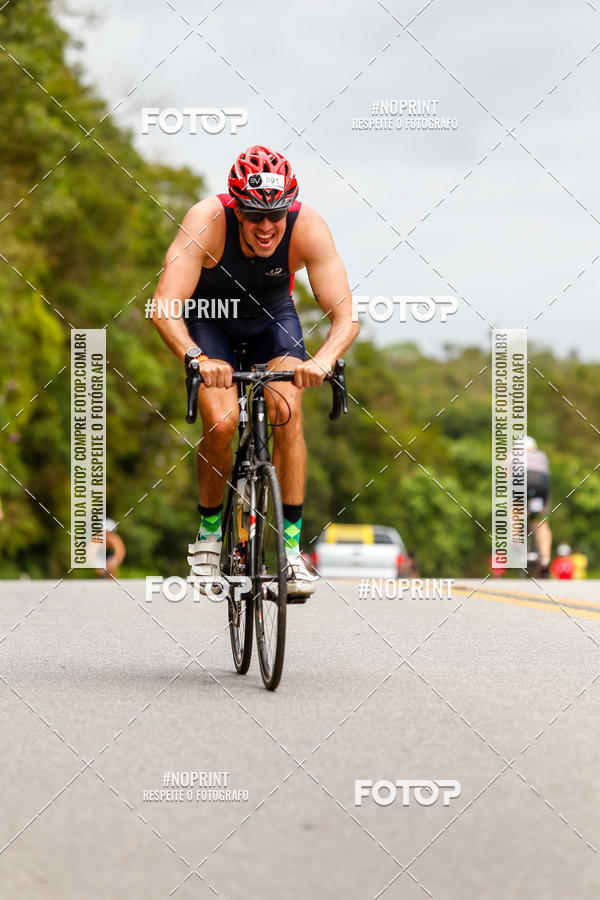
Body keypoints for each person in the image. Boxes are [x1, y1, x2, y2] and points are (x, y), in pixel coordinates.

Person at [151, 145, 359, 597]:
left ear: (290, 207)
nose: (266, 227)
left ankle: (290, 554)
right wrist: (197, 359)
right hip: (211, 321)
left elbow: (345, 316)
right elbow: (165, 307)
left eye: (276, 216)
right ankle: (208, 541)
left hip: (272, 320)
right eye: (253, 216)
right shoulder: (205, 220)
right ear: (235, 207)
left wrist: (321, 360)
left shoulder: (309, 228)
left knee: (286, 411)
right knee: (222, 422)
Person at [526, 435, 552, 577]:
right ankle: (545, 560)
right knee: (541, 522)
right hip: (542, 485)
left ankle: (516, 543)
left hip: (523, 482)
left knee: (514, 509)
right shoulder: (542, 455)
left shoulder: (511, 456)